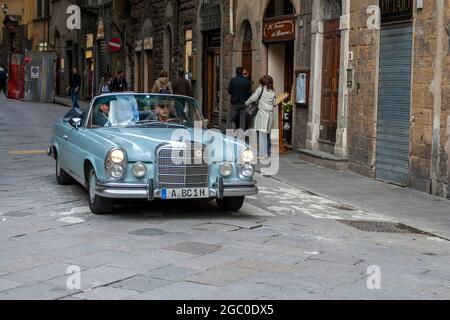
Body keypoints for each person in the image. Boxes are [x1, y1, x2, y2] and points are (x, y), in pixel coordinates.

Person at [245, 75, 276, 159]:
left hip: (262, 114)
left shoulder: (260, 89)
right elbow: (274, 103)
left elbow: (253, 98)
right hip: (270, 115)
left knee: (261, 134)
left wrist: (246, 103)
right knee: (266, 134)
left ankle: (262, 154)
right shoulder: (273, 91)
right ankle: (266, 153)